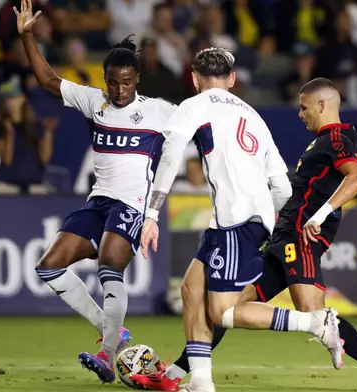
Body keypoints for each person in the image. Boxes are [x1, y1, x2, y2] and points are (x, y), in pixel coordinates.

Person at [133, 78, 357, 392]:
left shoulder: (338, 138)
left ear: (322, 105)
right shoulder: (340, 140)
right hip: (283, 238)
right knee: (226, 309)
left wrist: (322, 214)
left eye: (304, 107)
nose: (300, 114)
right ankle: (171, 375)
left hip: (301, 238)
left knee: (315, 316)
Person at [139, 49, 341, 392]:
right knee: (191, 288)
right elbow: (280, 183)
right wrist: (287, 226)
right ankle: (200, 382)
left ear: (194, 79)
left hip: (237, 221)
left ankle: (315, 324)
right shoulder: (253, 115)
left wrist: (152, 213)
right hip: (243, 220)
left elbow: (171, 155)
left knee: (223, 313)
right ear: (232, 79)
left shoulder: (194, 106)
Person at [13, 0, 177, 383]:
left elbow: (201, 125)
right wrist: (28, 37)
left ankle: (106, 353)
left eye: (127, 82)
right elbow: (48, 81)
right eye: (113, 82)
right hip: (98, 201)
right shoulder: (94, 101)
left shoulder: (160, 112)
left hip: (132, 205)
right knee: (48, 266)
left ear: (138, 78)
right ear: (104, 78)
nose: (120, 90)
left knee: (108, 265)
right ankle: (112, 328)